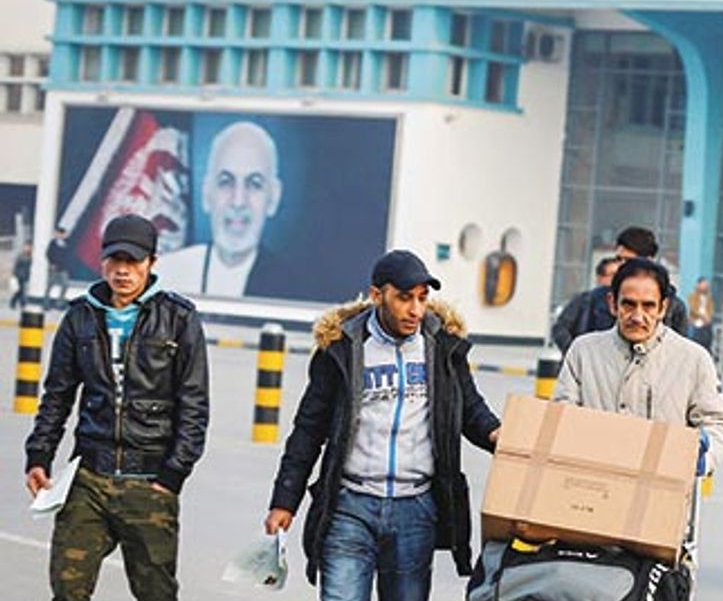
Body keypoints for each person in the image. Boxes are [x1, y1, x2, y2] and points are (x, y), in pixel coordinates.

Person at [265, 250, 501, 600]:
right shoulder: (342, 350)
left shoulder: (442, 349)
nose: (415, 311)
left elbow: (470, 410)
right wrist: (284, 501)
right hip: (350, 506)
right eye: (404, 298)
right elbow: (308, 430)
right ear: (377, 296)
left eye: (422, 299)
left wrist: (503, 438)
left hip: (415, 509)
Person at [23, 213, 210, 601]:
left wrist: (173, 475)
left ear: (152, 263)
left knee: (155, 594)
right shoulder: (79, 316)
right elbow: (57, 395)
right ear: (102, 261)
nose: (123, 271)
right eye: (115, 261)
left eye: (133, 262)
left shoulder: (178, 318)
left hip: (150, 481)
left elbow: (194, 403)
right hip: (88, 477)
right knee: (67, 589)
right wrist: (39, 455)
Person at [553, 258, 723, 475]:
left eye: (648, 305)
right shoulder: (583, 351)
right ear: (612, 303)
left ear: (663, 307)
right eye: (628, 304)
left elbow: (717, 423)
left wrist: (706, 454)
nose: (637, 316)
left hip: (662, 491)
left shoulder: (693, 359)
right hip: (593, 486)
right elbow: (563, 416)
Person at [155, 121, 299, 300]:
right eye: (226, 181)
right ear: (207, 194)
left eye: (254, 184)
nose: (238, 201)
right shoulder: (165, 275)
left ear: (273, 198)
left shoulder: (295, 288)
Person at [548, 226, 690, 352]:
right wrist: (578, 355)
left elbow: (680, 352)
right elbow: (561, 329)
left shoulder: (675, 307)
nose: (620, 266)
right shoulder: (593, 299)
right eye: (618, 259)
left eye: (628, 260)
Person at [549, 256, 619, 354]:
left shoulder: (622, 304)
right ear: (600, 278)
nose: (616, 279)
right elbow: (560, 328)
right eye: (612, 275)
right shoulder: (583, 301)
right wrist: (575, 351)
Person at [45, 226, 71, 308]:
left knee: (65, 285)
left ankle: (59, 303)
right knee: (50, 285)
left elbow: (69, 255)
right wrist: (52, 264)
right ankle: (46, 303)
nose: (61, 235)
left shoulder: (67, 243)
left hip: (63, 268)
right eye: (60, 234)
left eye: (63, 234)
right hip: (54, 268)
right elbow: (48, 254)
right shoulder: (53, 243)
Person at [688, 276, 715, 350]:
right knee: (693, 341)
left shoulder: (709, 297)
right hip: (695, 322)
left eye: (706, 285)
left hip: (706, 323)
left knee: (707, 341)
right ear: (698, 285)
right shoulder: (693, 296)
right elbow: (693, 308)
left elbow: (711, 309)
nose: (705, 286)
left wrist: (708, 317)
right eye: (703, 284)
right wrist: (703, 316)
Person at [9, 241, 31, 309]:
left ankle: (16, 303)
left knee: (21, 291)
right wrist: (13, 275)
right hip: (19, 275)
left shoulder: (30, 256)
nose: (27, 248)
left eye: (29, 247)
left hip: (25, 276)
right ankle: (19, 303)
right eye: (26, 247)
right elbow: (16, 266)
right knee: (19, 291)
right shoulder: (21, 255)